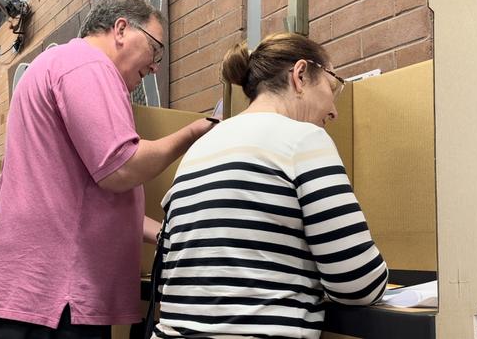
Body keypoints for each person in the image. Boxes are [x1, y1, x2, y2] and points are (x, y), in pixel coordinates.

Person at [0, 0, 215, 338]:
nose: (155, 66)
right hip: (49, 294)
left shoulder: (62, 64)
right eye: (155, 50)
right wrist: (197, 131)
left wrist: (166, 233)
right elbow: (119, 169)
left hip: (33, 287)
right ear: (121, 29)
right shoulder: (88, 64)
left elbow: (84, 197)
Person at [150, 33, 389, 338]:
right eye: (332, 87)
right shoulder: (303, 139)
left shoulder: (199, 150)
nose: (334, 111)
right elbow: (359, 283)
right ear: (300, 75)